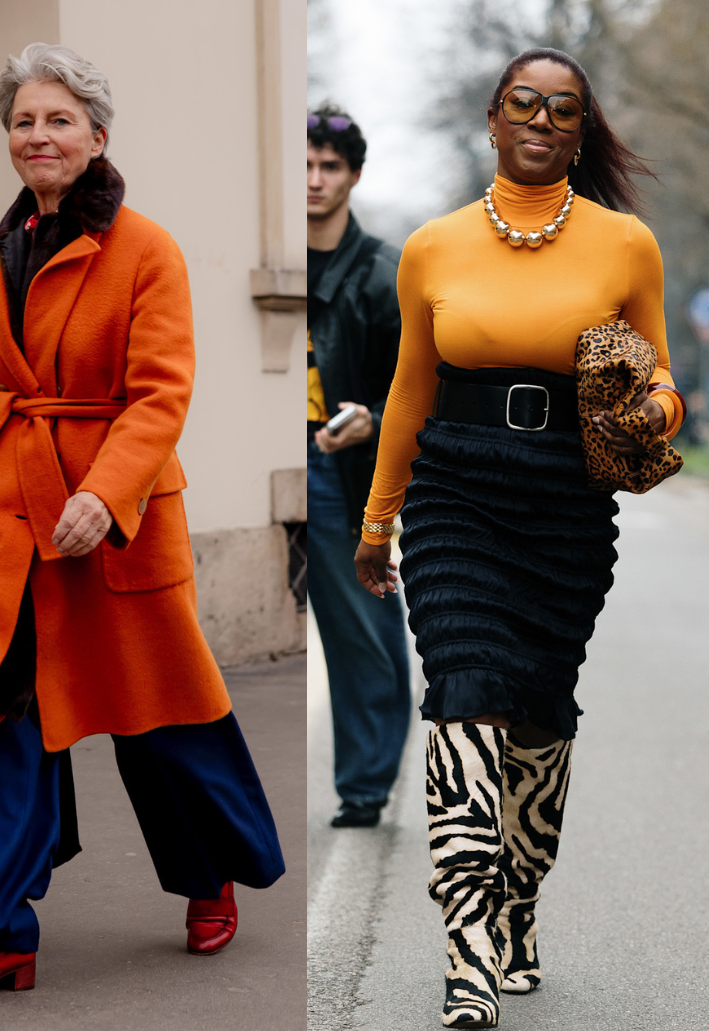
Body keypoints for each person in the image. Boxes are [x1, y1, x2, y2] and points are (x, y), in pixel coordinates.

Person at [0, 42, 285, 1007]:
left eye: (58, 119)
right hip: (2, 529)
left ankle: (208, 874)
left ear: (97, 135)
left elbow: (162, 395)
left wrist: (105, 494)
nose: (38, 135)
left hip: (110, 526)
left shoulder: (146, 248)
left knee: (158, 719)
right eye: (24, 121)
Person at [354, 48, 684, 1030]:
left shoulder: (627, 245)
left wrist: (654, 414)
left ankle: (519, 897)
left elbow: (664, 379)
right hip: (456, 489)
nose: (543, 121)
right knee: (463, 692)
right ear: (493, 120)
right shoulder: (433, 248)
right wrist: (379, 520)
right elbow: (411, 389)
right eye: (525, 105)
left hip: (566, 501)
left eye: (564, 110)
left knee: (540, 713)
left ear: (582, 131)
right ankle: (469, 953)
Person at [306, 104, 411, 829]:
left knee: (363, 625)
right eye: (304, 166)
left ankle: (366, 786)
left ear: (354, 176)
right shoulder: (270, 254)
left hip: (336, 467)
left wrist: (371, 416)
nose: (313, 180)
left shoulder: (381, 274)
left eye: (329, 167)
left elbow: (417, 385)